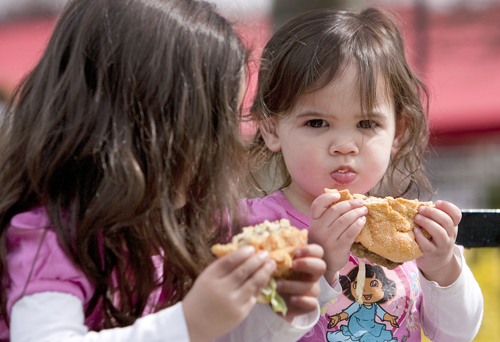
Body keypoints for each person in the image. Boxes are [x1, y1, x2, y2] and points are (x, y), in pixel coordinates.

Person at [0, 0, 327, 340]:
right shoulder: (52, 237)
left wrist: (278, 313)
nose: (228, 148)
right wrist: (190, 322)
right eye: (215, 126)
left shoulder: (197, 223)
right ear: (146, 132)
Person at [242, 7, 483, 342]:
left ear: (398, 132)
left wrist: (444, 269)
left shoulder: (407, 232)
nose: (344, 145)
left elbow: (457, 334)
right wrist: (320, 266)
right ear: (271, 129)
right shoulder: (253, 229)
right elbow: (251, 334)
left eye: (367, 124)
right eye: (317, 123)